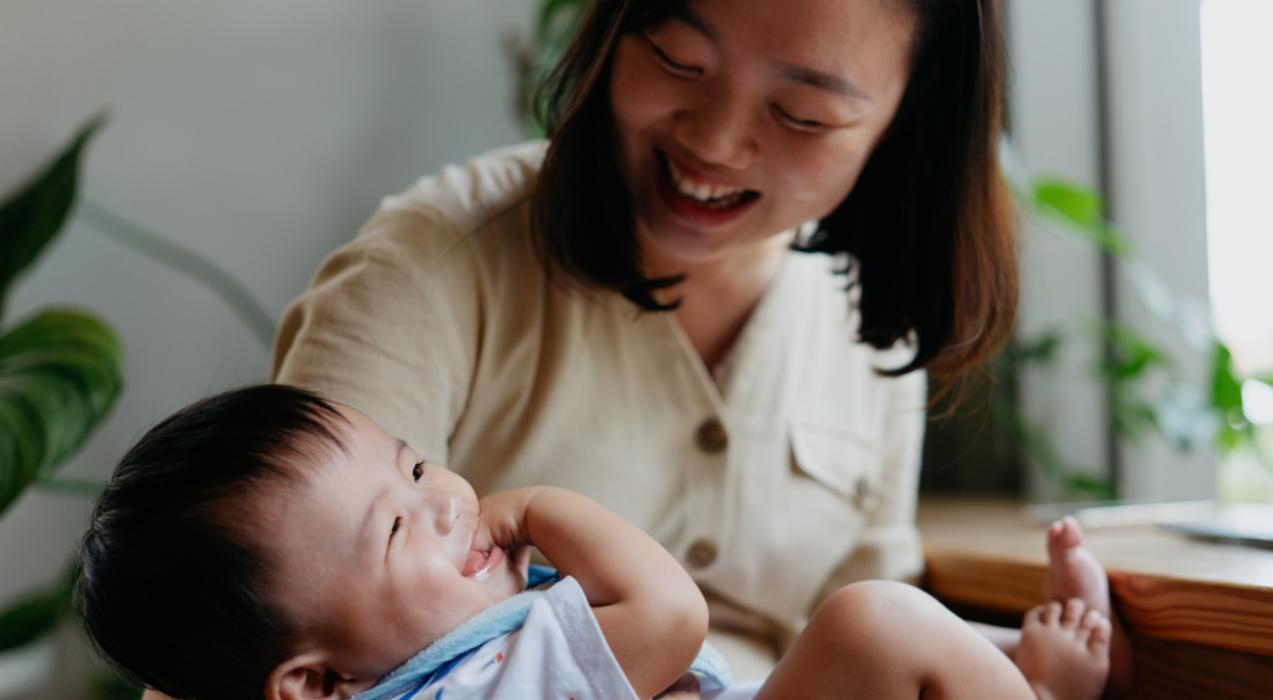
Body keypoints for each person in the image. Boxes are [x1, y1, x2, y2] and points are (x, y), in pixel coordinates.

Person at [264, 0, 1135, 692]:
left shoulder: (864, 322)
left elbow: (857, 632)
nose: (714, 143)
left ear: (908, 120)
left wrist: (1031, 653)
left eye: (803, 114)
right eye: (677, 58)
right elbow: (253, 637)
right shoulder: (430, 268)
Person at [79, 385, 1113, 700]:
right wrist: (534, 505)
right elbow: (672, 616)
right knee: (873, 621)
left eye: (417, 465)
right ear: (312, 683)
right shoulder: (483, 679)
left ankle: (1030, 676)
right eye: (397, 525)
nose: (447, 501)